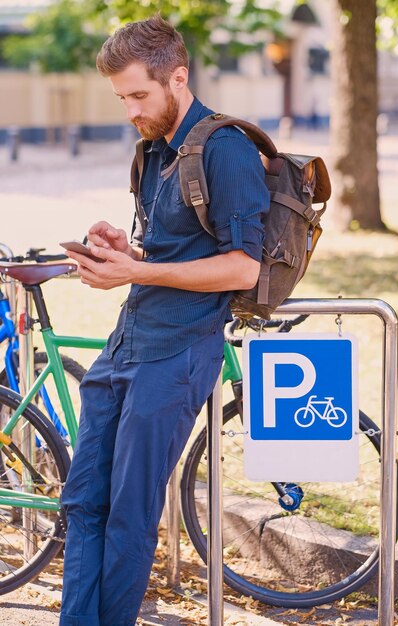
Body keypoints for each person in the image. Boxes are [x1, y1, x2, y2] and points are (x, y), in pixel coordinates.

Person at [59, 14, 269, 626]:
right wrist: (124, 252)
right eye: (122, 97)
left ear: (179, 77)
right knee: (83, 501)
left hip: (178, 352)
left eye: (139, 95)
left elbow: (241, 270)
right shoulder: (154, 147)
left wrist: (135, 273)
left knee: (129, 509)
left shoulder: (226, 150)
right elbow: (172, 250)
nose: (130, 110)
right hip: (127, 341)